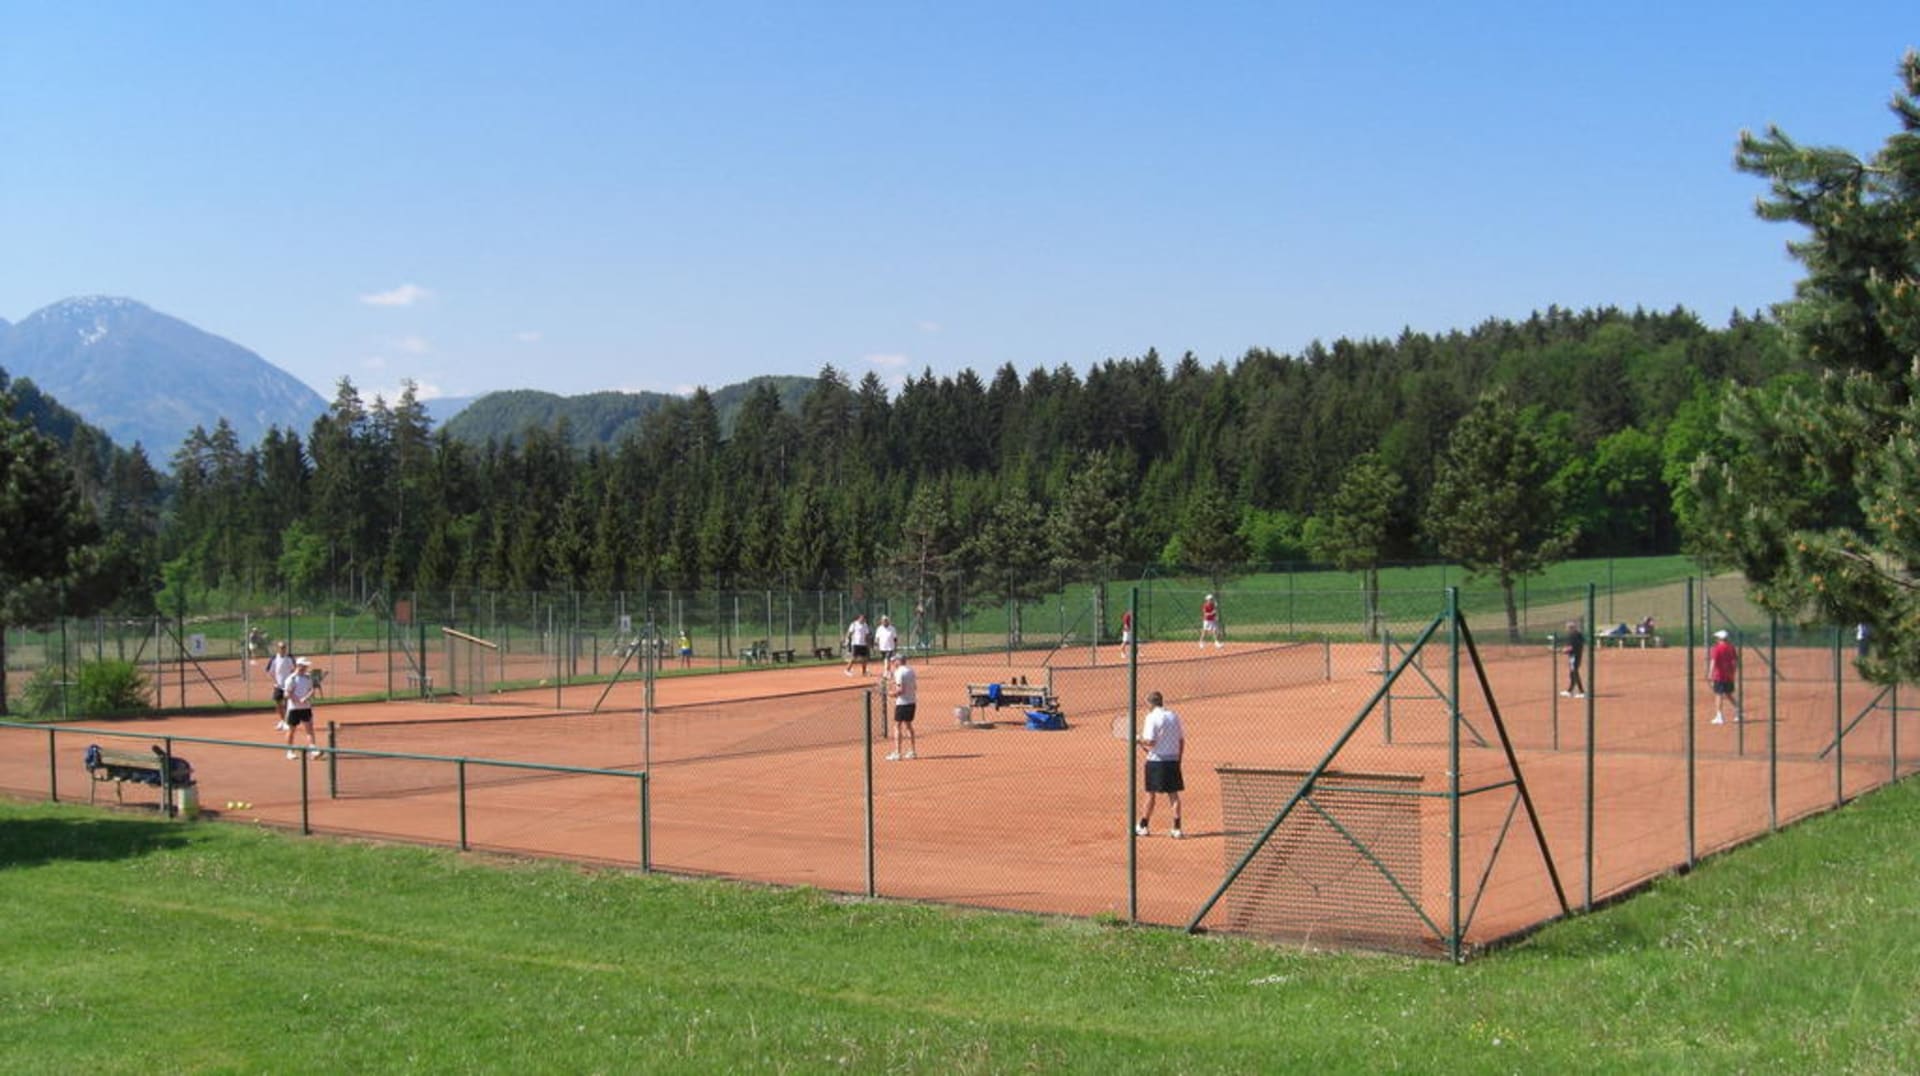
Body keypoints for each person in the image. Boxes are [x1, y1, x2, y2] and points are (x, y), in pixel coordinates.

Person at [1135, 690, 1185, 838]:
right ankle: (1177, 829)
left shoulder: (1151, 717)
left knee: (1150, 793)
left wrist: (1138, 739)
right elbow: (1181, 740)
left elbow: (1150, 741)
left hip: (1156, 762)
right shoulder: (1173, 716)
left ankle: (1143, 826)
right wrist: (1178, 759)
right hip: (1172, 760)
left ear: (1150, 704)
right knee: (1173, 794)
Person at [283, 658, 322, 759]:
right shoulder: (291, 679)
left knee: (309, 729)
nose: (306, 667)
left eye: (306, 666)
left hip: (306, 708)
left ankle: (313, 750)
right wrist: (298, 700)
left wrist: (306, 698)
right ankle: (290, 751)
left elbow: (311, 690)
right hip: (294, 709)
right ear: (298, 665)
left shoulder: (308, 678)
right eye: (304, 666)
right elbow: (287, 694)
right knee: (291, 730)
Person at [885, 652, 918, 761]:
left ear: (899, 661)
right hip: (912, 702)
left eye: (895, 661)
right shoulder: (911, 671)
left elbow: (900, 690)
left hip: (902, 703)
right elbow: (914, 687)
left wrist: (891, 694)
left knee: (897, 726)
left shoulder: (899, 672)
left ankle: (897, 753)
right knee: (908, 726)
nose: (893, 662)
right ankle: (912, 751)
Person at [1708, 629, 1740, 724]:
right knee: (1728, 694)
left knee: (1718, 695)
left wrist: (1710, 673)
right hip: (1729, 675)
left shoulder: (1717, 648)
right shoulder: (1731, 647)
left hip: (1719, 676)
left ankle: (1719, 717)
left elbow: (1713, 661)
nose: (1716, 639)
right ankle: (1739, 712)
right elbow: (1735, 662)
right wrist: (1733, 672)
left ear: (1720, 639)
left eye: (1717, 638)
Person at [265, 640, 297, 731]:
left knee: (287, 704)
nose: (283, 649)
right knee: (278, 704)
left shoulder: (290, 658)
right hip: (278, 686)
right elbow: (269, 671)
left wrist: (292, 681)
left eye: (284, 647)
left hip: (288, 686)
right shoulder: (274, 658)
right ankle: (283, 721)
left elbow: (294, 670)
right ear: (278, 649)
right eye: (281, 647)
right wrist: (275, 681)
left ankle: (287, 722)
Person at [1561, 621, 1586, 698]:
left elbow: (1571, 647)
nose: (1567, 629)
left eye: (1568, 628)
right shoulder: (1579, 634)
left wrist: (1563, 650)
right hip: (1577, 656)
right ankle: (1570, 691)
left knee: (1574, 673)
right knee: (1572, 674)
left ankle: (1581, 692)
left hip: (1574, 657)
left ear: (1571, 628)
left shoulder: (1572, 636)